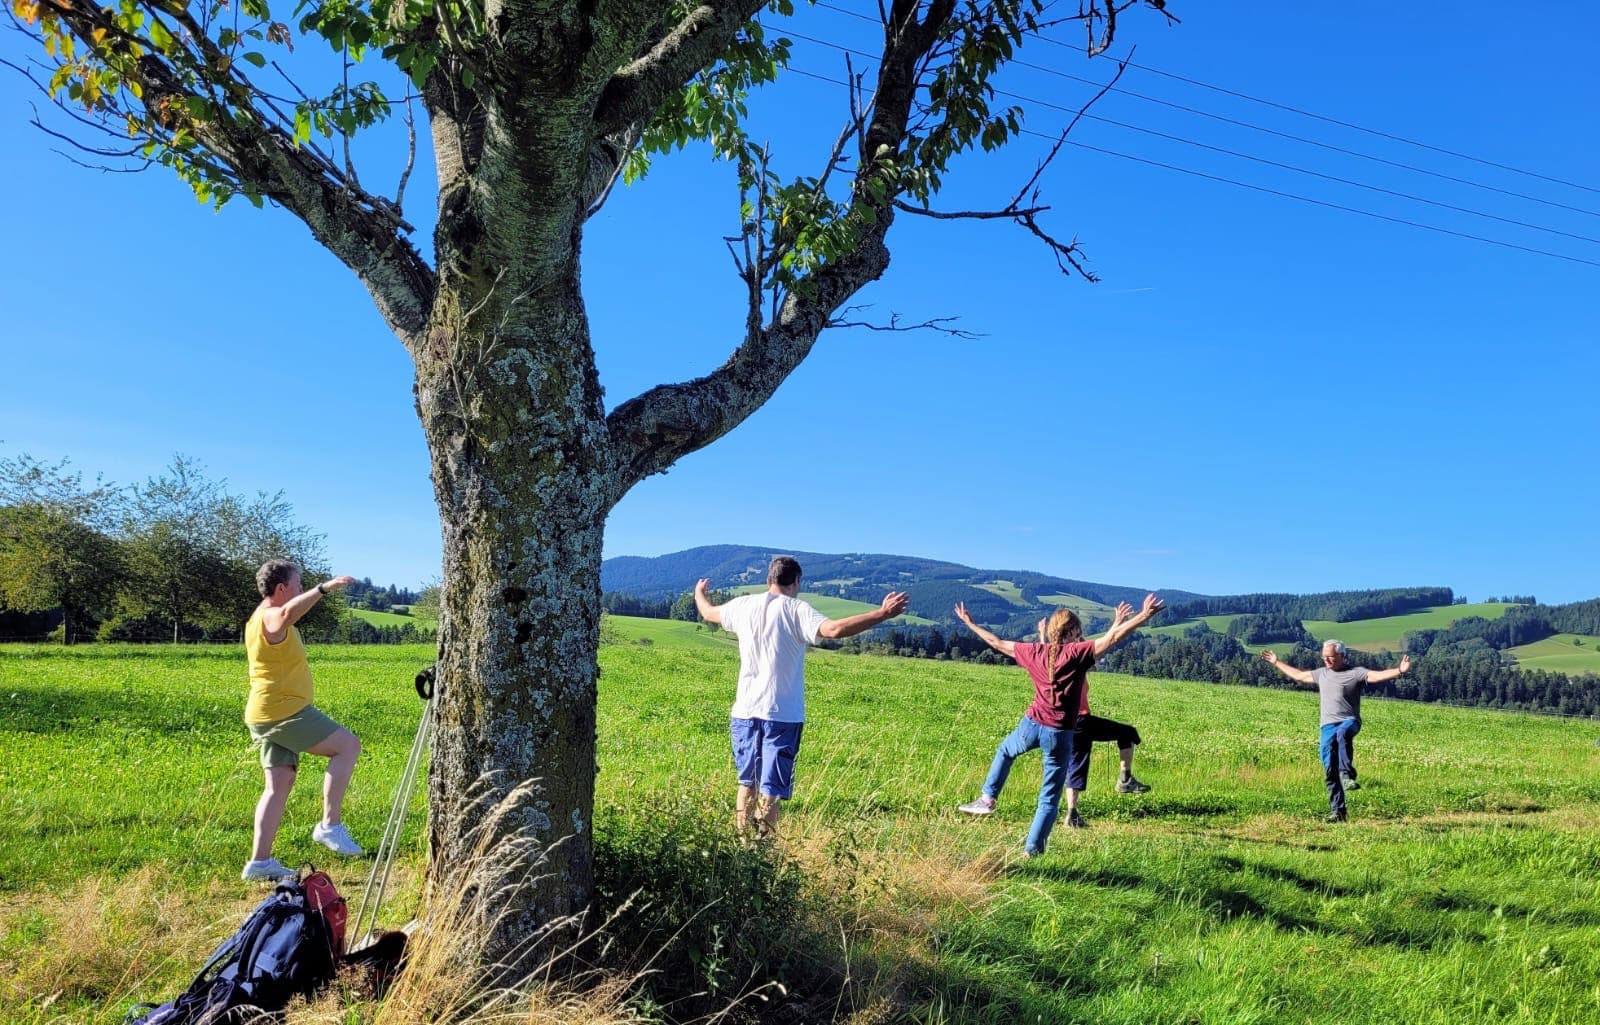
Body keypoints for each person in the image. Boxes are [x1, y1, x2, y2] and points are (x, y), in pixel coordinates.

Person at [694, 556, 909, 837]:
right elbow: (834, 630)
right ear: (796, 581)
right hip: (782, 714)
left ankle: (741, 845)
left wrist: (699, 593)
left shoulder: (742, 605)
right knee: (771, 790)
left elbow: (708, 612)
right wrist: (881, 614)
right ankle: (763, 849)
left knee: (748, 783)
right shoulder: (797, 610)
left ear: (769, 580)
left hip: (744, 711)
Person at [954, 594, 1165, 857]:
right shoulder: (1077, 654)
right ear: (1074, 631)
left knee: (1006, 751)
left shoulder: (1034, 651)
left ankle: (987, 799)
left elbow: (996, 642)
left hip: (1031, 725)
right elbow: (1112, 639)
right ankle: (1032, 852)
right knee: (1049, 798)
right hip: (1059, 734)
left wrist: (970, 623)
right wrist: (1143, 615)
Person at [242, 559, 364, 881]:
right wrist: (324, 588)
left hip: (266, 712)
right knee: (347, 747)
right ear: (282, 588)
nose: (301, 589)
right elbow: (285, 614)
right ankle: (329, 826)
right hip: (285, 711)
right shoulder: (271, 616)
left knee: (278, 785)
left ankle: (259, 863)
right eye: (298, 584)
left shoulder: (257, 618)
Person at [1260, 641, 1410, 822]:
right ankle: (1338, 812)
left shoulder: (1355, 673)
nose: (1326, 660)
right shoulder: (1321, 674)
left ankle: (1346, 774)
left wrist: (1399, 670)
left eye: (1330, 657)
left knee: (1343, 733)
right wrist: (1276, 662)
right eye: (1324, 657)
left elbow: (1377, 676)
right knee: (1330, 770)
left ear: (1342, 655)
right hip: (1327, 726)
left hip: (1349, 721)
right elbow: (1299, 675)